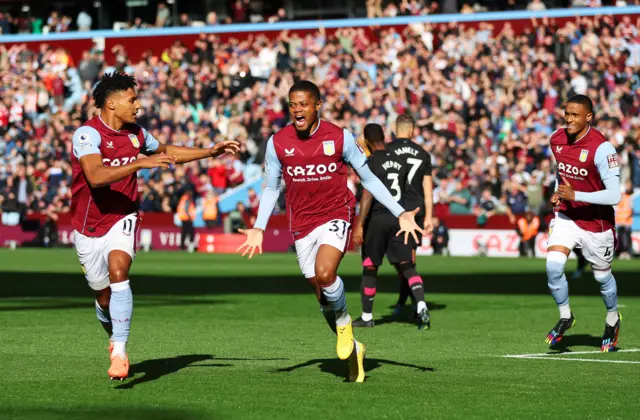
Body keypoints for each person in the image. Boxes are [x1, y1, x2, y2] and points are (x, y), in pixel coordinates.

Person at [236, 81, 423, 383]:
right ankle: (353, 350)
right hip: (301, 225)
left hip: (336, 213)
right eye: (292, 104)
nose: (297, 109)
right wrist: (259, 227)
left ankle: (346, 327)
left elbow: (370, 180)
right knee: (322, 297)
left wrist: (400, 211)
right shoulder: (278, 142)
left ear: (318, 105)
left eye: (304, 104)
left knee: (326, 274)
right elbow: (271, 188)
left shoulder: (339, 137)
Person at [71, 72, 239, 380]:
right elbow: (95, 176)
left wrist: (210, 152)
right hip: (88, 226)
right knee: (103, 296)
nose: (138, 105)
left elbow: (166, 152)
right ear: (111, 103)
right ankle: (112, 333)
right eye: (132, 99)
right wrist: (138, 163)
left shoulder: (136, 134)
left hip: (123, 216)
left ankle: (120, 352)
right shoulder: (87, 134)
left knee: (119, 271)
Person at [545, 94, 622, 352]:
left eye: (575, 115)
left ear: (588, 117)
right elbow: (563, 174)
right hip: (567, 215)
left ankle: (612, 318)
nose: (569, 119)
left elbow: (615, 195)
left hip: (596, 223)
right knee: (553, 267)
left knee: (602, 278)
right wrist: (559, 193)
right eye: (566, 113)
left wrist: (576, 195)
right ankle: (565, 316)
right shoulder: (556, 139)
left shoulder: (602, 148)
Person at [351, 123, 431, 330]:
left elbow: (368, 195)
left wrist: (359, 224)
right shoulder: (400, 160)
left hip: (377, 218)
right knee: (407, 264)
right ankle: (421, 304)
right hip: (399, 217)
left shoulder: (368, 162)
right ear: (385, 136)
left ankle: (367, 317)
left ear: (366, 141)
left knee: (370, 267)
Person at [385, 115, 434, 321]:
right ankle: (409, 301)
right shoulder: (423, 154)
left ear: (395, 130)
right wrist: (430, 216)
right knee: (407, 259)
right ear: (412, 130)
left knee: (402, 262)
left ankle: (413, 303)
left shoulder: (386, 151)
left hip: (393, 209)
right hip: (416, 210)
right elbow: (428, 189)